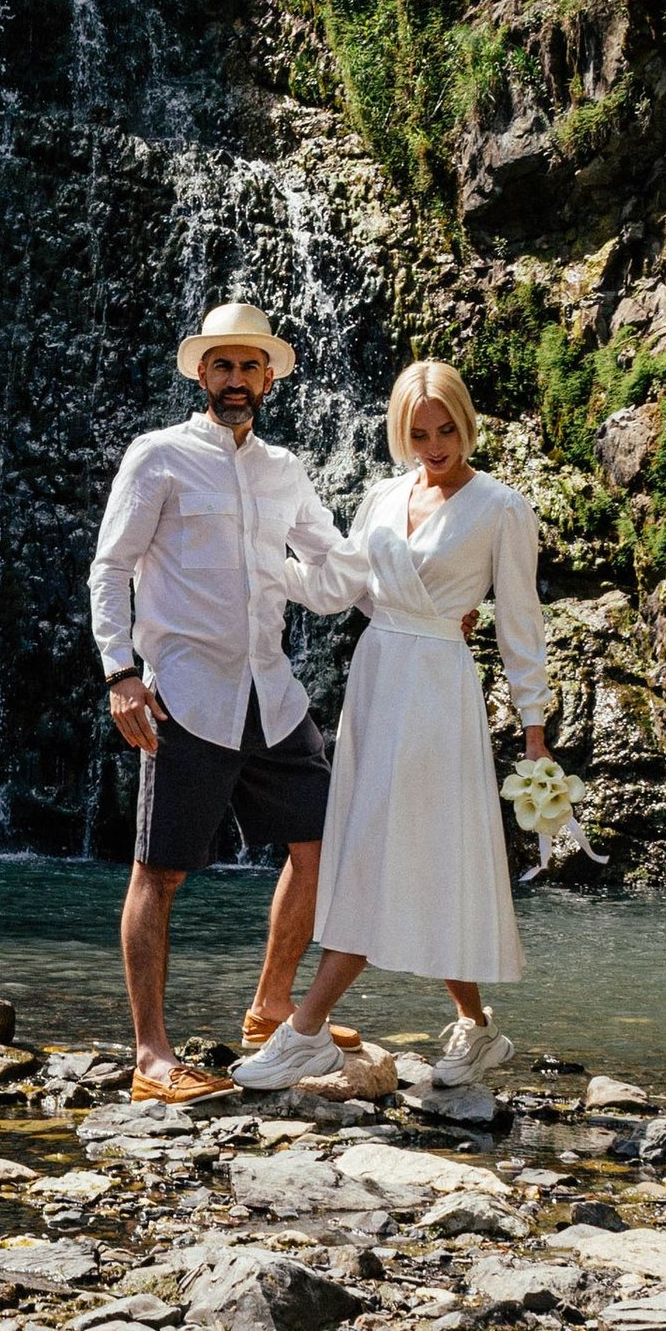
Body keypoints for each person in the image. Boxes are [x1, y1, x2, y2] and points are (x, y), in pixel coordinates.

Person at [241, 356, 547, 1095]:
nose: (435, 446)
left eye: (446, 430)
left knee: (381, 853)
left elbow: (520, 624)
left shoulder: (502, 507)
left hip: (440, 692)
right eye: (419, 433)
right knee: (424, 855)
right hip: (378, 684)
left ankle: (304, 1032)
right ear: (399, 432)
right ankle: (478, 1029)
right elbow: (341, 589)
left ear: (466, 424)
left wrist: (534, 732)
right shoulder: (381, 495)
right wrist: (259, 563)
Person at [88, 300, 362, 1101]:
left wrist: (416, 591)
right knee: (159, 874)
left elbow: (335, 568)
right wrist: (119, 673)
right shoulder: (159, 456)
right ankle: (151, 1059)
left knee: (322, 849)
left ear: (268, 379)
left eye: (249, 367)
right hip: (186, 699)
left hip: (271, 696)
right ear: (202, 375)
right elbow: (111, 569)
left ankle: (272, 1008)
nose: (235, 380)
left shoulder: (285, 472)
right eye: (222, 366)